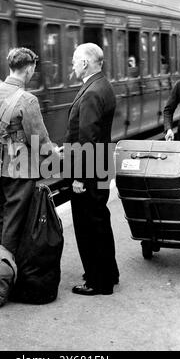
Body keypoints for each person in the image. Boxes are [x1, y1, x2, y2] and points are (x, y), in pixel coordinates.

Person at [0, 47, 58, 255]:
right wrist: (54, 155)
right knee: (14, 223)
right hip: (19, 168)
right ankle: (6, 275)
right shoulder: (27, 100)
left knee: (3, 218)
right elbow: (39, 139)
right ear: (29, 69)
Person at [65, 43, 120, 296]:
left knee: (88, 225)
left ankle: (98, 282)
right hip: (101, 163)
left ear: (85, 63)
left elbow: (87, 138)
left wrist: (78, 177)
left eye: (75, 60)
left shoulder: (90, 92)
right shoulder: (103, 85)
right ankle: (109, 273)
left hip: (89, 169)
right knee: (100, 220)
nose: (73, 64)